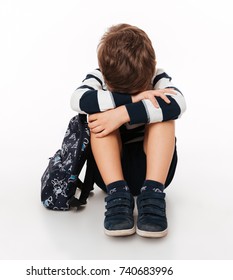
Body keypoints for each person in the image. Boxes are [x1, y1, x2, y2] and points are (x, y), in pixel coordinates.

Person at [70, 23, 186, 238]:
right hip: (111, 174)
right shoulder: (98, 78)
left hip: (155, 172)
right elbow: (78, 99)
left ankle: (152, 194)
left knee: (165, 117)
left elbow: (179, 104)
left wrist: (121, 114)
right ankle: (118, 197)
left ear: (152, 68)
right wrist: (133, 99)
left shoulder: (157, 78)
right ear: (104, 72)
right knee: (97, 120)